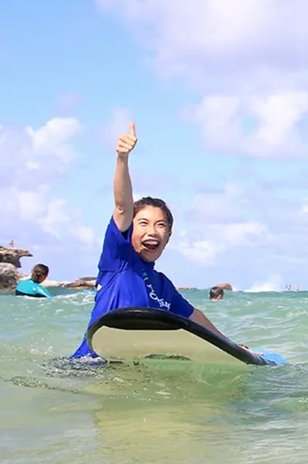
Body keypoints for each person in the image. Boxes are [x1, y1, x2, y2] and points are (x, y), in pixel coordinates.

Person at [71, 123, 243, 359]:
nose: (152, 231)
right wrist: (122, 159)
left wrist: (232, 346)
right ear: (129, 229)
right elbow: (122, 207)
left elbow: (195, 317)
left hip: (128, 366)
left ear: (168, 236)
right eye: (143, 223)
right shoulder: (119, 261)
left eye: (160, 225)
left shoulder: (163, 286)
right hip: (88, 365)